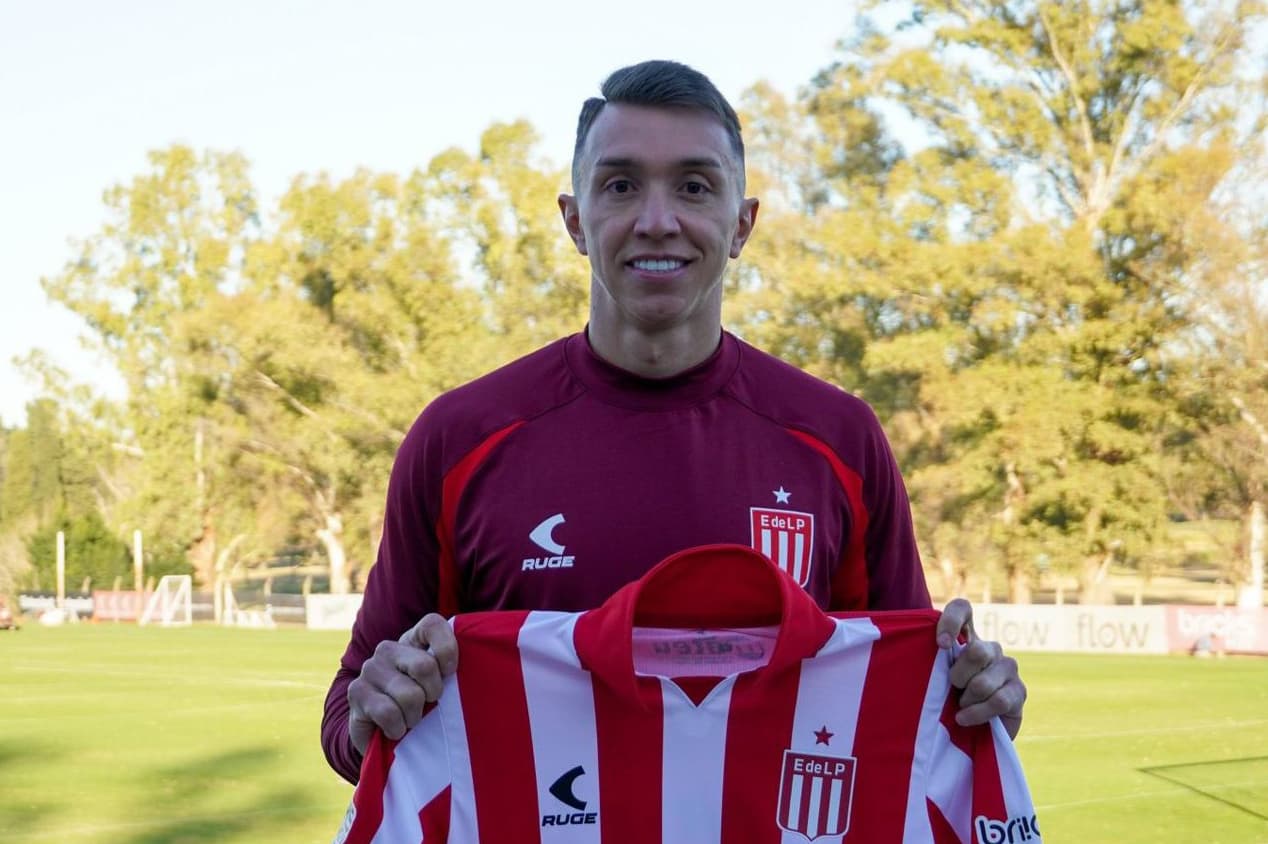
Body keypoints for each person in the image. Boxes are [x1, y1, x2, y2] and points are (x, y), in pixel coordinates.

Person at [321, 59, 1026, 785]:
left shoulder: (839, 439)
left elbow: (909, 708)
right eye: (621, 185)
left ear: (741, 224)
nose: (657, 222)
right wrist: (373, 713)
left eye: (694, 186)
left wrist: (978, 703)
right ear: (574, 220)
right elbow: (349, 715)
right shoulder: (459, 438)